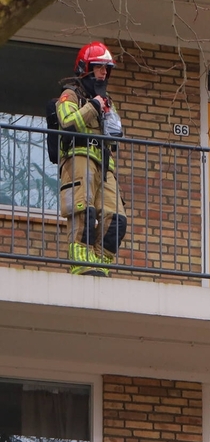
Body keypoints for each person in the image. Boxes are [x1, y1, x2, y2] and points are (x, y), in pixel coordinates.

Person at [56, 41, 127, 276]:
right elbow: (67, 124)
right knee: (83, 211)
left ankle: (100, 265)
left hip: (104, 165)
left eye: (107, 69)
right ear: (84, 68)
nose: (104, 73)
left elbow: (114, 139)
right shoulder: (70, 95)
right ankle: (82, 264)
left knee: (117, 219)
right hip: (79, 159)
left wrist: (108, 113)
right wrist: (94, 107)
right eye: (99, 67)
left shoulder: (107, 102)